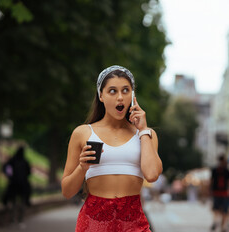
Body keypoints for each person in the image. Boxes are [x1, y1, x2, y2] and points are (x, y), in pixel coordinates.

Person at [62, 65, 162, 231]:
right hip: (93, 223)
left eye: (125, 90)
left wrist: (143, 130)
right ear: (101, 95)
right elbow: (67, 191)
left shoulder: (147, 135)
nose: (120, 97)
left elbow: (151, 175)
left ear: (133, 94)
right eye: (112, 91)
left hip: (134, 223)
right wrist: (82, 168)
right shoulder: (83, 133)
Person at [2, 146, 32, 223]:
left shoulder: (12, 160)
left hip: (14, 184)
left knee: (13, 201)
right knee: (23, 201)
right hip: (23, 184)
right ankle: (20, 218)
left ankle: (13, 217)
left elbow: (6, 168)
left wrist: (10, 176)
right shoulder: (25, 162)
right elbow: (29, 172)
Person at [210, 154, 229, 232]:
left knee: (218, 210)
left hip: (220, 192)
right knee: (223, 210)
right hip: (222, 192)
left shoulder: (216, 170)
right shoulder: (225, 170)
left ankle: (218, 223)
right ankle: (221, 225)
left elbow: (211, 181)